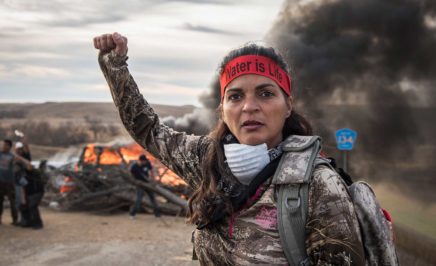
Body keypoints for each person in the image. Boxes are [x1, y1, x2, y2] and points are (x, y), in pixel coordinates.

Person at [94, 33, 366, 265]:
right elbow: (148, 130)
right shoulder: (207, 159)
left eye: (265, 93)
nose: (249, 107)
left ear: (288, 105)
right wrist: (115, 66)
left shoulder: (319, 185)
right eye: (235, 96)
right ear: (223, 110)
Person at [0, 139, 31, 226]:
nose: (3, 146)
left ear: (9, 147)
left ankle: (15, 219)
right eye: (3, 145)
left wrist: (27, 162)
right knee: (0, 201)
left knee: (12, 201)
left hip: (10, 182)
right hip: (0, 182)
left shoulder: (12, 155)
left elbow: (22, 159)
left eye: (5, 145)